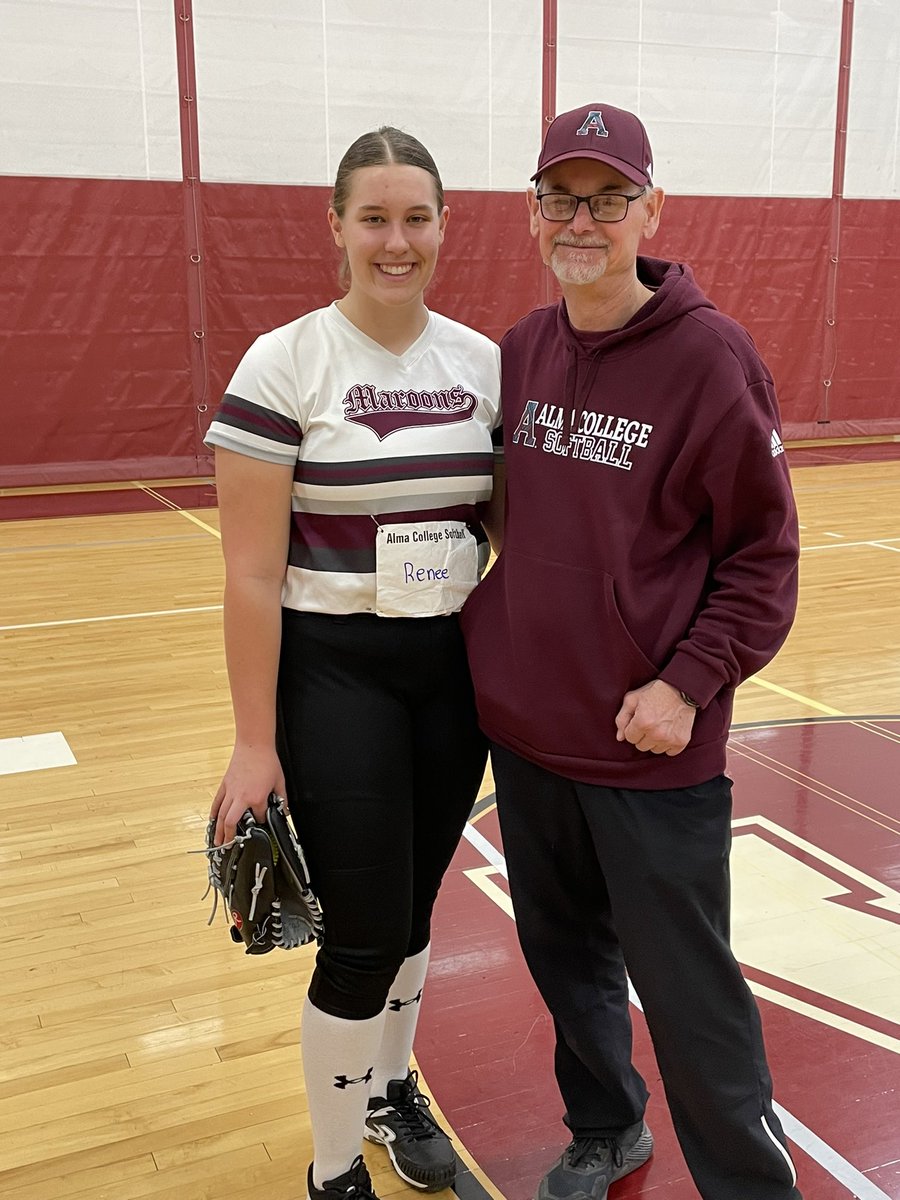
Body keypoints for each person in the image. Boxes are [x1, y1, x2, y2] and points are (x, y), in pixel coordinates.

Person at [460, 103, 803, 1200]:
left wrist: (685, 683)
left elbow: (764, 559)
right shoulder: (522, 348)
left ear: (651, 208)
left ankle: (752, 1185)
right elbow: (521, 523)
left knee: (691, 994)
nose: (584, 219)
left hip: (651, 748)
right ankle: (608, 1127)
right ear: (532, 213)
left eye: (610, 197)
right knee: (568, 967)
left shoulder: (709, 358)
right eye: (562, 196)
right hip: (531, 734)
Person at [203, 126, 501, 1200]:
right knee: (364, 934)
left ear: (443, 226)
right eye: (373, 217)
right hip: (335, 672)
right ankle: (335, 1173)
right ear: (334, 227)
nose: (396, 240)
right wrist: (251, 744)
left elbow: (502, 532)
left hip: (449, 676)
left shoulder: (482, 364)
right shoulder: (285, 364)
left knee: (417, 914)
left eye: (416, 217)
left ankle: (388, 1089)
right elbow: (247, 576)